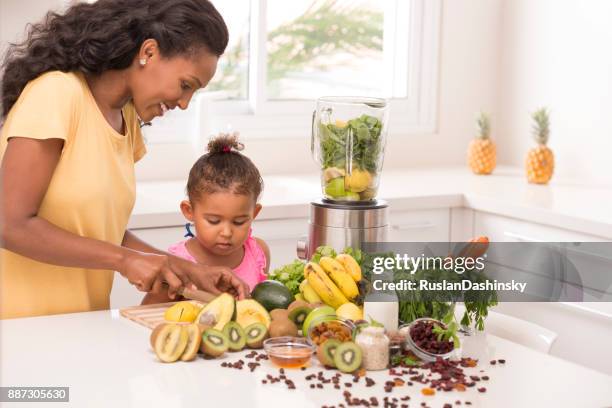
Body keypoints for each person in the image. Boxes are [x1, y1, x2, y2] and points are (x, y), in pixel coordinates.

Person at [0, 0, 249, 319]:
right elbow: (9, 223)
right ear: (148, 52)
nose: (185, 103)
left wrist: (189, 269)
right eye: (186, 85)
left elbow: (98, 228)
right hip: (23, 328)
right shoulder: (57, 95)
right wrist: (124, 260)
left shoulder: (125, 119)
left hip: (82, 323)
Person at [142, 133, 269, 304]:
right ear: (189, 211)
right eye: (214, 221)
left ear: (254, 213)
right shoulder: (176, 264)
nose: (226, 232)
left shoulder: (258, 252)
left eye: (239, 222)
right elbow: (146, 311)